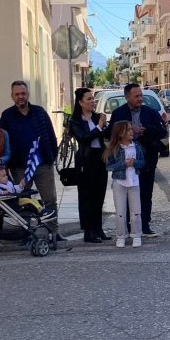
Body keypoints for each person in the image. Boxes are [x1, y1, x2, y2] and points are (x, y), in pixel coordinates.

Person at [0, 80, 60, 237]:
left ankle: (53, 232)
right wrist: (8, 165)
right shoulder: (7, 116)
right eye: (17, 94)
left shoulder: (40, 112)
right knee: (23, 200)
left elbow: (51, 136)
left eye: (23, 93)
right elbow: (3, 141)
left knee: (50, 199)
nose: (21, 97)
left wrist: (51, 156)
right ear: (12, 96)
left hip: (43, 165)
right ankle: (25, 233)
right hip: (20, 167)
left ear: (28, 94)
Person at [109, 83, 168, 237]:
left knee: (146, 191)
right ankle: (129, 226)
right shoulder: (118, 113)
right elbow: (111, 134)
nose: (140, 99)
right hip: (125, 160)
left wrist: (145, 130)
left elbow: (162, 132)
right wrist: (127, 131)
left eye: (141, 95)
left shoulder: (150, 112)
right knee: (127, 192)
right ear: (127, 97)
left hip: (147, 157)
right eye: (136, 96)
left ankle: (145, 224)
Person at [70, 87, 109, 243]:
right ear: (80, 102)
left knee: (99, 194)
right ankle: (89, 231)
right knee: (87, 196)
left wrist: (105, 126)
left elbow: (106, 135)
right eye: (89, 99)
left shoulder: (97, 117)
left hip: (100, 158)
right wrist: (99, 127)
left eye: (93, 98)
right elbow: (84, 138)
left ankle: (99, 228)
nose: (93, 101)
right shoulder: (75, 121)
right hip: (86, 160)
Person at [103, 120, 144, 248]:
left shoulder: (136, 146)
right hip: (119, 182)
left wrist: (134, 163)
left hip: (134, 181)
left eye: (131, 129)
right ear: (120, 133)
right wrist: (124, 164)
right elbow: (109, 166)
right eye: (128, 130)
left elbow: (142, 162)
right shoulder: (115, 149)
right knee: (120, 212)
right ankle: (121, 236)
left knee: (136, 211)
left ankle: (136, 235)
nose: (131, 132)